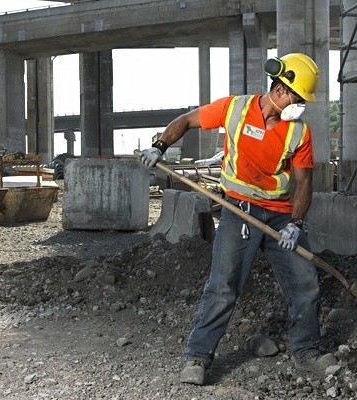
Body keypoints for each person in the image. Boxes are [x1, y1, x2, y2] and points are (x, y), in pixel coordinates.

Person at [138, 52, 337, 385]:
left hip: (280, 216)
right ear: (281, 90)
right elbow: (187, 120)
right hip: (238, 210)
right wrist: (160, 145)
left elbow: (304, 184)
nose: (300, 105)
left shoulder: (298, 133)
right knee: (223, 285)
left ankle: (306, 352)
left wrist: (295, 223)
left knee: (305, 285)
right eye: (298, 98)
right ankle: (197, 357)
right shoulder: (235, 109)